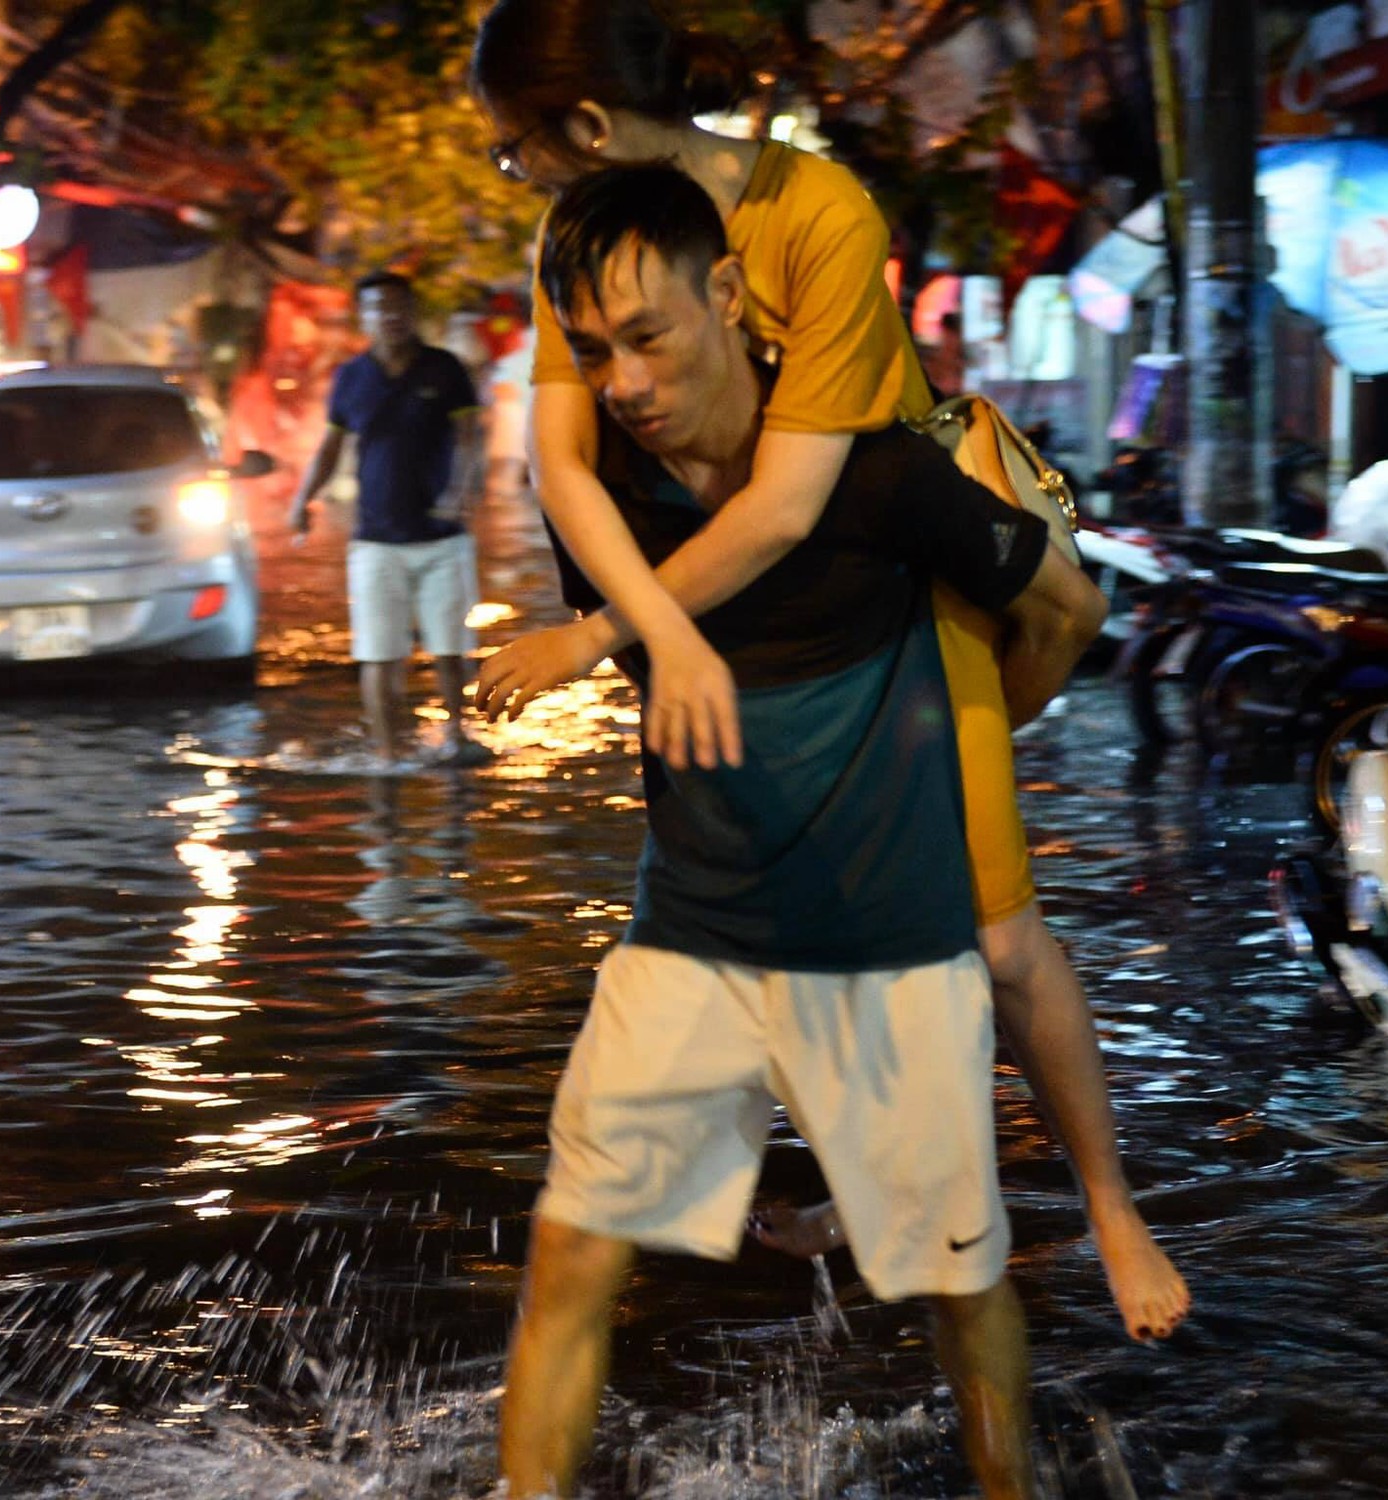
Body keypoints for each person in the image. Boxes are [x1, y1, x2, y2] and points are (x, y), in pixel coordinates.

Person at [470, 0, 1190, 1342]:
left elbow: (798, 503)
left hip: (891, 592)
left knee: (990, 929)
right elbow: (559, 467)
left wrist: (605, 633)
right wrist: (660, 629)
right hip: (723, 611)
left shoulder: (817, 217)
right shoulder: (579, 237)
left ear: (580, 124)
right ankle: (875, 1200)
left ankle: (1107, 1204)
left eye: (515, 152)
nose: (517, 182)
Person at [484, 162, 1100, 1500]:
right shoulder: (599, 508)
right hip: (691, 936)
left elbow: (1067, 609)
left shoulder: (877, 480)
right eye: (592, 353)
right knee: (571, 1256)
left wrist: (967, 750)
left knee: (958, 1284)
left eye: (650, 337)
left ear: (726, 295)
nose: (627, 382)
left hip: (891, 954)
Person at [289, 271, 490, 768]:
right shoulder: (351, 377)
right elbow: (331, 447)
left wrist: (460, 491)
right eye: (378, 308)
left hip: (444, 538)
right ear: (365, 316)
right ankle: (384, 752)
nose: (390, 316)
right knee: (377, 652)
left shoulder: (446, 370)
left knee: (451, 647)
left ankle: (456, 734)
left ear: (413, 311)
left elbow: (469, 439)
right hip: (375, 539)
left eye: (399, 306)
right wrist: (301, 502)